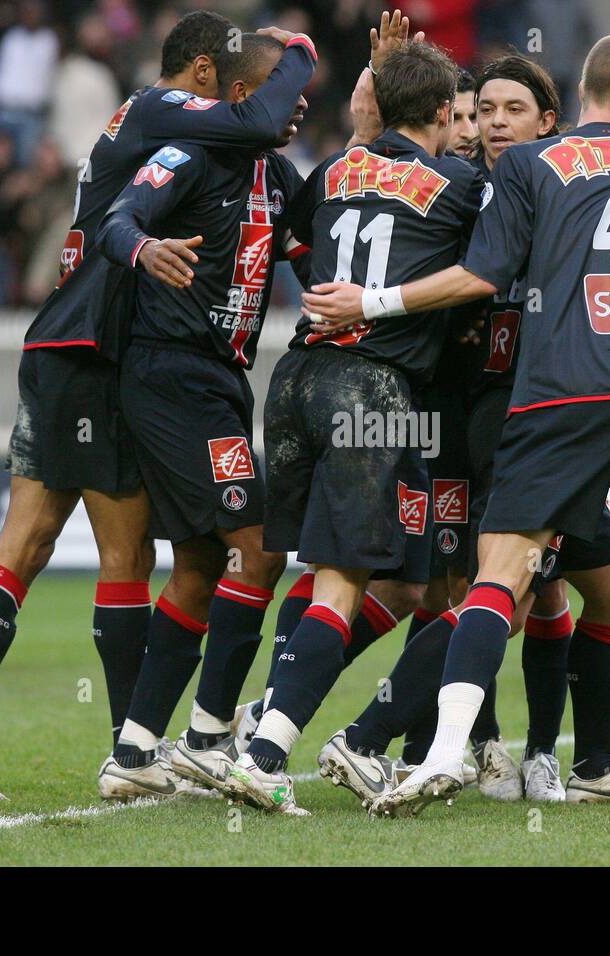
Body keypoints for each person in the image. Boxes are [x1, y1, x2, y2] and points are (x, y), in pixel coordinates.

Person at [304, 33, 610, 818]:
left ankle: (447, 754)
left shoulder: (528, 167)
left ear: (573, 97)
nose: (492, 123)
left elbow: (487, 274)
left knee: (502, 580)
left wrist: (373, 300)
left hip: (555, 391)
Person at [0, 11, 316, 802]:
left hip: (66, 341)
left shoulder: (154, 131)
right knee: (129, 557)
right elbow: (261, 117)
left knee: (31, 539)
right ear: (206, 75)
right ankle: (134, 751)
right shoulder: (166, 115)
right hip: (103, 347)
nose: (264, 112)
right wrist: (299, 47)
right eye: (239, 90)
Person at [224, 39, 485, 815]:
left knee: (350, 576)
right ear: (444, 113)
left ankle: (258, 723)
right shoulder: (458, 182)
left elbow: (296, 241)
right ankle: (266, 752)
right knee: (341, 581)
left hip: (295, 377)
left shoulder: (337, 168)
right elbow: (488, 264)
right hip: (369, 392)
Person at [92, 32, 310, 801]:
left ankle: (135, 751)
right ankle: (211, 737)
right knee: (258, 548)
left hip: (221, 380)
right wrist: (143, 250)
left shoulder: (281, 176)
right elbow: (117, 218)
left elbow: (325, 246)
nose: (299, 107)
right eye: (285, 93)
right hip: (170, 373)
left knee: (200, 563)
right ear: (244, 99)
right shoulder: (188, 154)